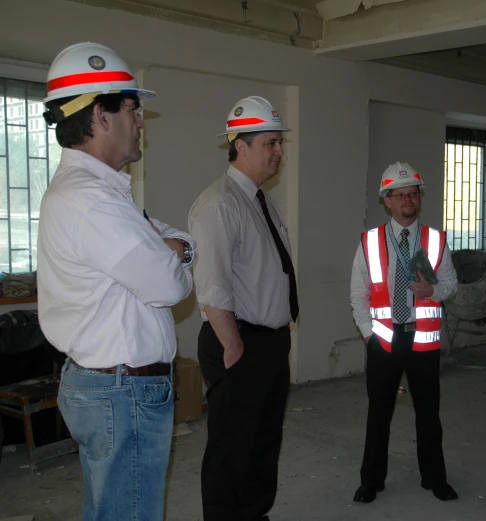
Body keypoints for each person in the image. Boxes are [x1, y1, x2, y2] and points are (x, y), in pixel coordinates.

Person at [37, 42, 196, 521]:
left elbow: (166, 241)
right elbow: (169, 285)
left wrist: (175, 248)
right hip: (122, 393)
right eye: (133, 108)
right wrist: (178, 252)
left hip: (111, 388)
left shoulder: (98, 194)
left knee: (112, 510)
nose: (141, 121)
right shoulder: (93, 202)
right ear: (100, 116)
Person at [188, 96, 297, 521]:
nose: (279, 151)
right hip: (238, 341)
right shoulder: (219, 203)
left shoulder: (260, 199)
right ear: (242, 146)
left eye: (279, 143)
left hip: (268, 341)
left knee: (264, 440)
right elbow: (212, 283)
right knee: (231, 447)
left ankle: (253, 513)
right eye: (271, 143)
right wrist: (233, 346)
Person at [349, 162, 458, 503]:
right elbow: (358, 293)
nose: (408, 199)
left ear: (419, 197)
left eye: (413, 192)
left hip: (423, 340)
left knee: (429, 413)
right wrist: (369, 335)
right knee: (379, 413)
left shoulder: (436, 240)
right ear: (387, 201)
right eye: (400, 195)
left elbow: (451, 285)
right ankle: (371, 481)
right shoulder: (369, 241)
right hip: (384, 339)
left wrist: (432, 292)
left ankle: (434, 478)